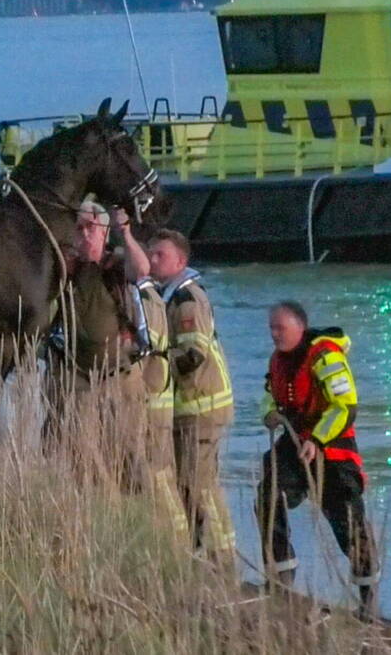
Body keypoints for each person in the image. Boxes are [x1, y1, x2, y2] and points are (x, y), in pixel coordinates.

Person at [43, 199, 187, 538]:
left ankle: (150, 533)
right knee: (81, 460)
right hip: (77, 379)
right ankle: (96, 528)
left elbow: (141, 270)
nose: (85, 233)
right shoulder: (67, 267)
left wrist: (125, 232)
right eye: (79, 227)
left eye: (91, 227)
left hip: (118, 379)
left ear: (104, 232)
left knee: (130, 460)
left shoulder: (115, 264)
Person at [257, 301, 379, 615]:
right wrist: (268, 412)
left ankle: (368, 598)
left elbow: (345, 406)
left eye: (279, 328)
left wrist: (318, 439)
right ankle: (281, 574)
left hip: (332, 447)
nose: (273, 334)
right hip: (294, 442)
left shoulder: (326, 357)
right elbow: (271, 393)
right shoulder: (278, 359)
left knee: (348, 522)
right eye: (271, 328)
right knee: (268, 496)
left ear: (299, 326)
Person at [148, 228, 236, 561]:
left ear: (181, 261)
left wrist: (152, 367)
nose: (154, 260)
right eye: (151, 254)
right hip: (191, 407)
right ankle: (203, 550)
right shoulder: (169, 295)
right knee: (190, 483)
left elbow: (193, 354)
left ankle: (221, 558)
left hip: (201, 406)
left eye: (161, 255)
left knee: (200, 485)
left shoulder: (187, 299)